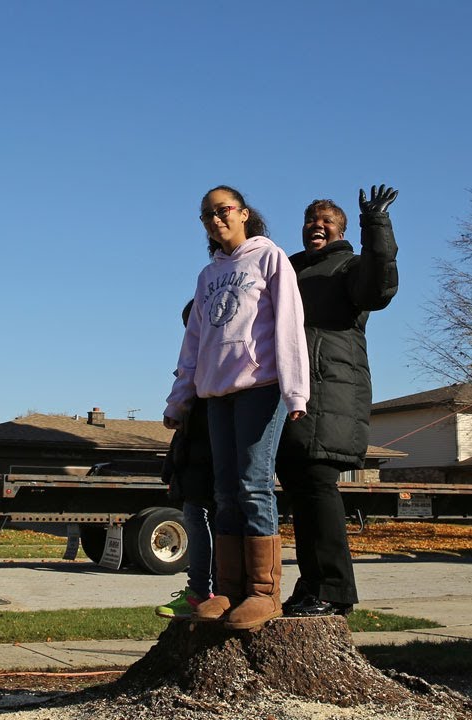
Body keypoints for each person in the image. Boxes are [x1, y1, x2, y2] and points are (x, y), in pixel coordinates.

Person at [164, 185, 309, 631]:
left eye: (222, 210)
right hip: (215, 394)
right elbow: (195, 343)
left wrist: (295, 391)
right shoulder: (208, 276)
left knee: (252, 484)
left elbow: (289, 323)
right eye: (206, 215)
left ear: (244, 213)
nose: (214, 219)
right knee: (223, 491)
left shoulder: (270, 258)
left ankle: (264, 593)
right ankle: (227, 589)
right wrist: (180, 396)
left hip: (259, 387)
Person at [276, 185, 399, 618]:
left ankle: (333, 591)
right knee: (301, 493)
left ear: (341, 230)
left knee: (316, 486)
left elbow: (379, 289)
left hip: (328, 392)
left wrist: (376, 224)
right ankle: (312, 585)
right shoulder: (288, 269)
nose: (317, 226)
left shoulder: (350, 267)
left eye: (327, 221)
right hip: (286, 397)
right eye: (311, 220)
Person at [155, 302, 215, 619]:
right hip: (193, 459)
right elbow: (183, 429)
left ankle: (213, 592)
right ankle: (198, 592)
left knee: (216, 524)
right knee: (194, 519)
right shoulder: (191, 370)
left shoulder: (223, 368)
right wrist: (172, 464)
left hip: (217, 458)